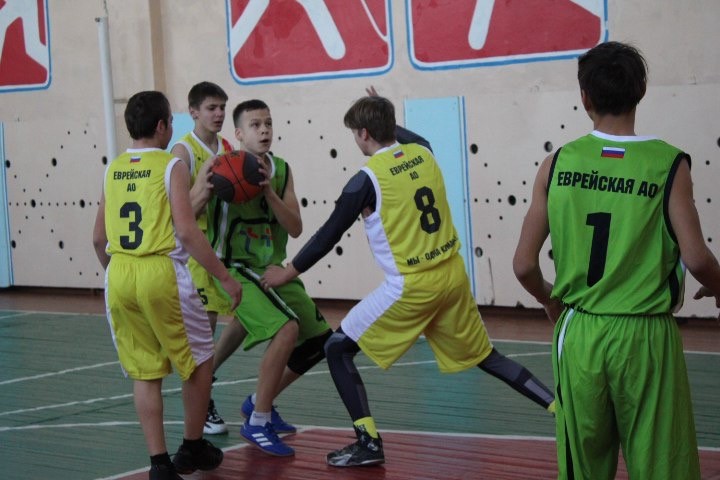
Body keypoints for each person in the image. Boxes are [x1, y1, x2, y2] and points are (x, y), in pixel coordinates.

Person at [262, 91, 556, 468]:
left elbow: (328, 235)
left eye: (355, 133)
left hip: (412, 286)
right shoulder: (424, 152)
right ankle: (559, 407)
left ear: (364, 133)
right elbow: (411, 137)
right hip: (452, 276)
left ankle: (368, 442)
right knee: (487, 357)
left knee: (336, 349)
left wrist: (288, 271)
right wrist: (385, 118)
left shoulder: (365, 181)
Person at [512, 41, 720, 480]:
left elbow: (524, 266)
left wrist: (550, 300)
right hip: (646, 334)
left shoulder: (556, 163)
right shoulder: (668, 164)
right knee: (662, 464)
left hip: (580, 332)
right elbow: (697, 258)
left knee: (584, 467)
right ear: (640, 90)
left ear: (584, 96)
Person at [91, 91, 243, 480]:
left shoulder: (113, 168)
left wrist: (116, 274)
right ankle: (192, 446)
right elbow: (187, 231)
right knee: (201, 360)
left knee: (145, 373)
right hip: (161, 272)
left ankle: (159, 465)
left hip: (118, 273)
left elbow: (97, 238)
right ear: (161, 126)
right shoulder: (171, 165)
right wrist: (225, 278)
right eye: (171, 122)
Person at [193, 99, 333, 456]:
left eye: (268, 123)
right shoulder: (219, 167)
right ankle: (258, 420)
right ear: (239, 134)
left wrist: (268, 191)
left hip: (271, 268)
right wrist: (205, 191)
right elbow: (186, 213)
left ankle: (258, 400)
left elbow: (296, 227)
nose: (265, 130)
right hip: (233, 268)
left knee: (322, 343)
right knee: (286, 328)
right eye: (255, 125)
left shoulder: (281, 170)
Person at [169, 81, 235, 435]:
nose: (219, 113)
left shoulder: (228, 148)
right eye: (212, 107)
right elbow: (177, 214)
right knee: (203, 340)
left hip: (226, 252)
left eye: (223, 107)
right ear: (193, 111)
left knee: (253, 317)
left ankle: (212, 379)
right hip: (196, 256)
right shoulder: (183, 153)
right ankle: (203, 405)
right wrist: (203, 191)